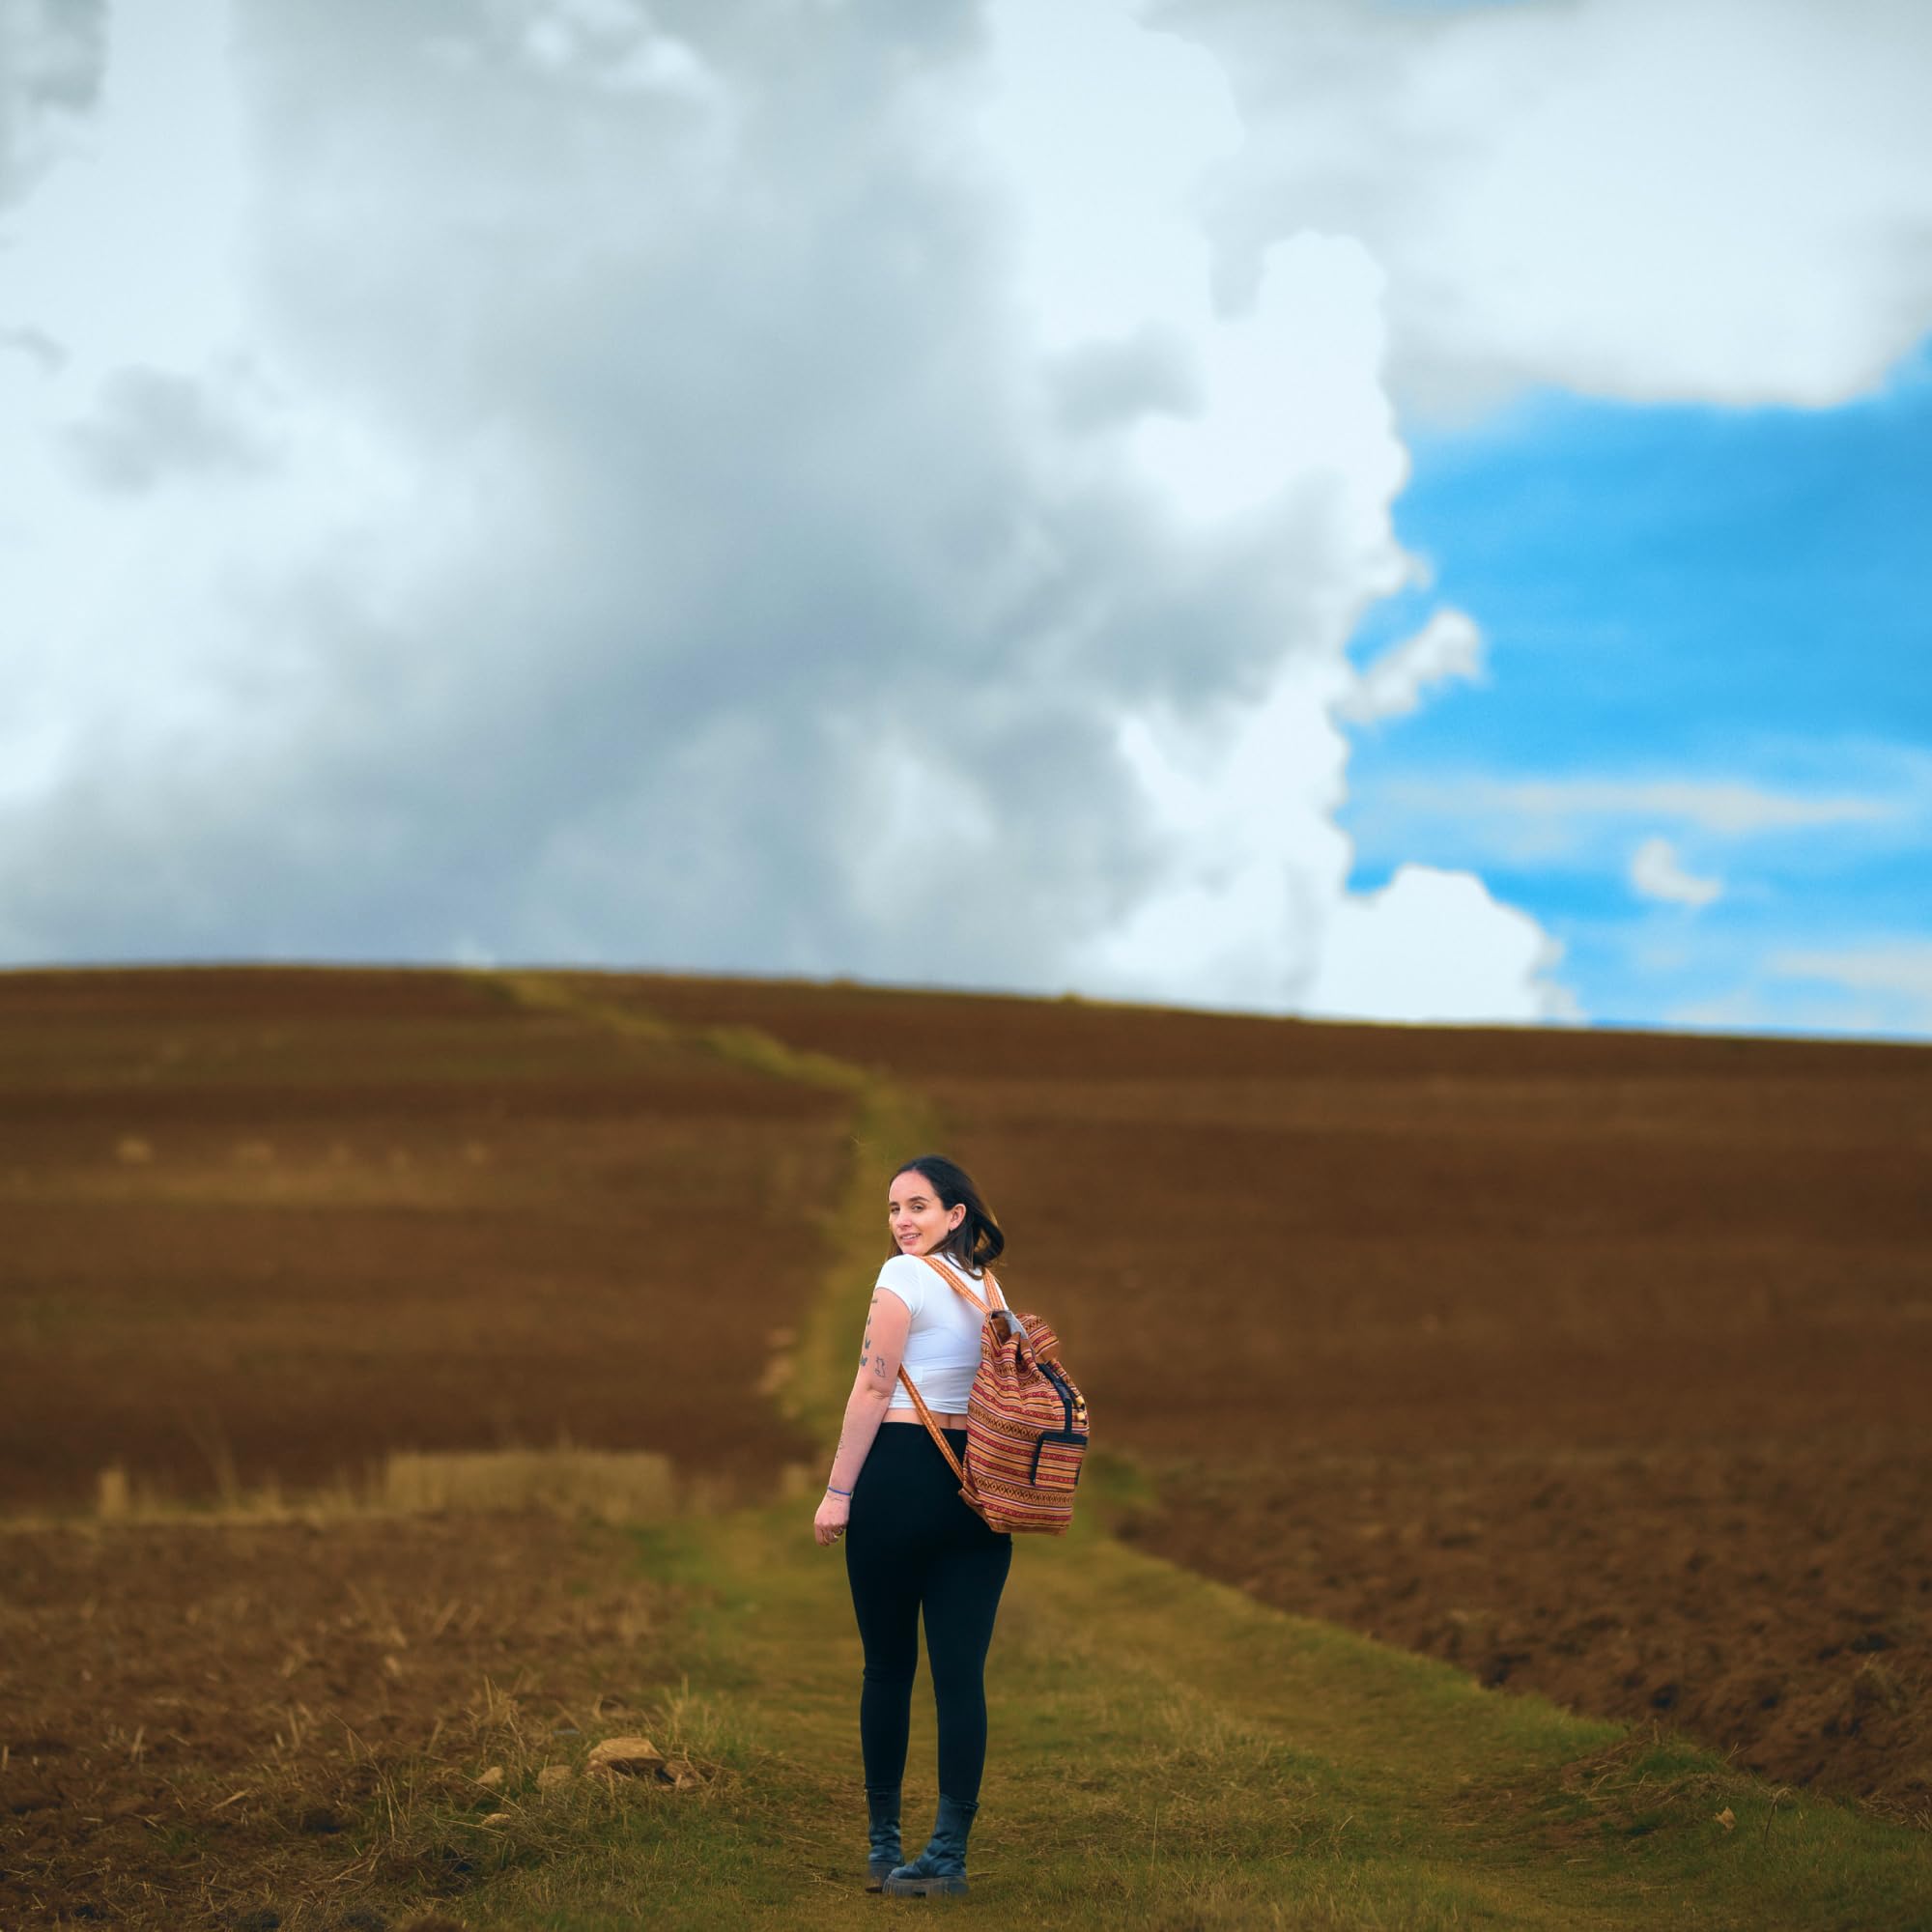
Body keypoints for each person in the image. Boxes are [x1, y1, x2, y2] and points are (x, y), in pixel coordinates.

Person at [812, 1154, 1013, 1898]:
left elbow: (872, 1384)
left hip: (899, 1476)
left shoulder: (901, 1278)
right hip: (980, 1487)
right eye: (894, 1208)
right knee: (962, 1678)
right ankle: (947, 1857)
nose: (902, 1221)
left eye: (919, 1207)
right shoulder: (988, 1287)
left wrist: (839, 1491)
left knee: (888, 1668)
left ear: (955, 1215)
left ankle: (883, 1846)